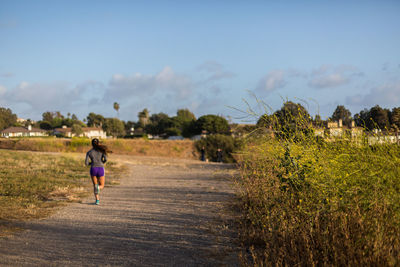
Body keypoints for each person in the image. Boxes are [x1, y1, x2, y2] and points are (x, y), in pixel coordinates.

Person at [85, 138, 108, 205]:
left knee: (95, 185)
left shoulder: (89, 152)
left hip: (93, 169)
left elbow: (86, 163)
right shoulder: (102, 151)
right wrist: (102, 162)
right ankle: (98, 188)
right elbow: (105, 159)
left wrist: (91, 163)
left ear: (91, 144)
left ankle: (97, 200)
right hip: (100, 168)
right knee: (102, 185)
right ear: (98, 143)